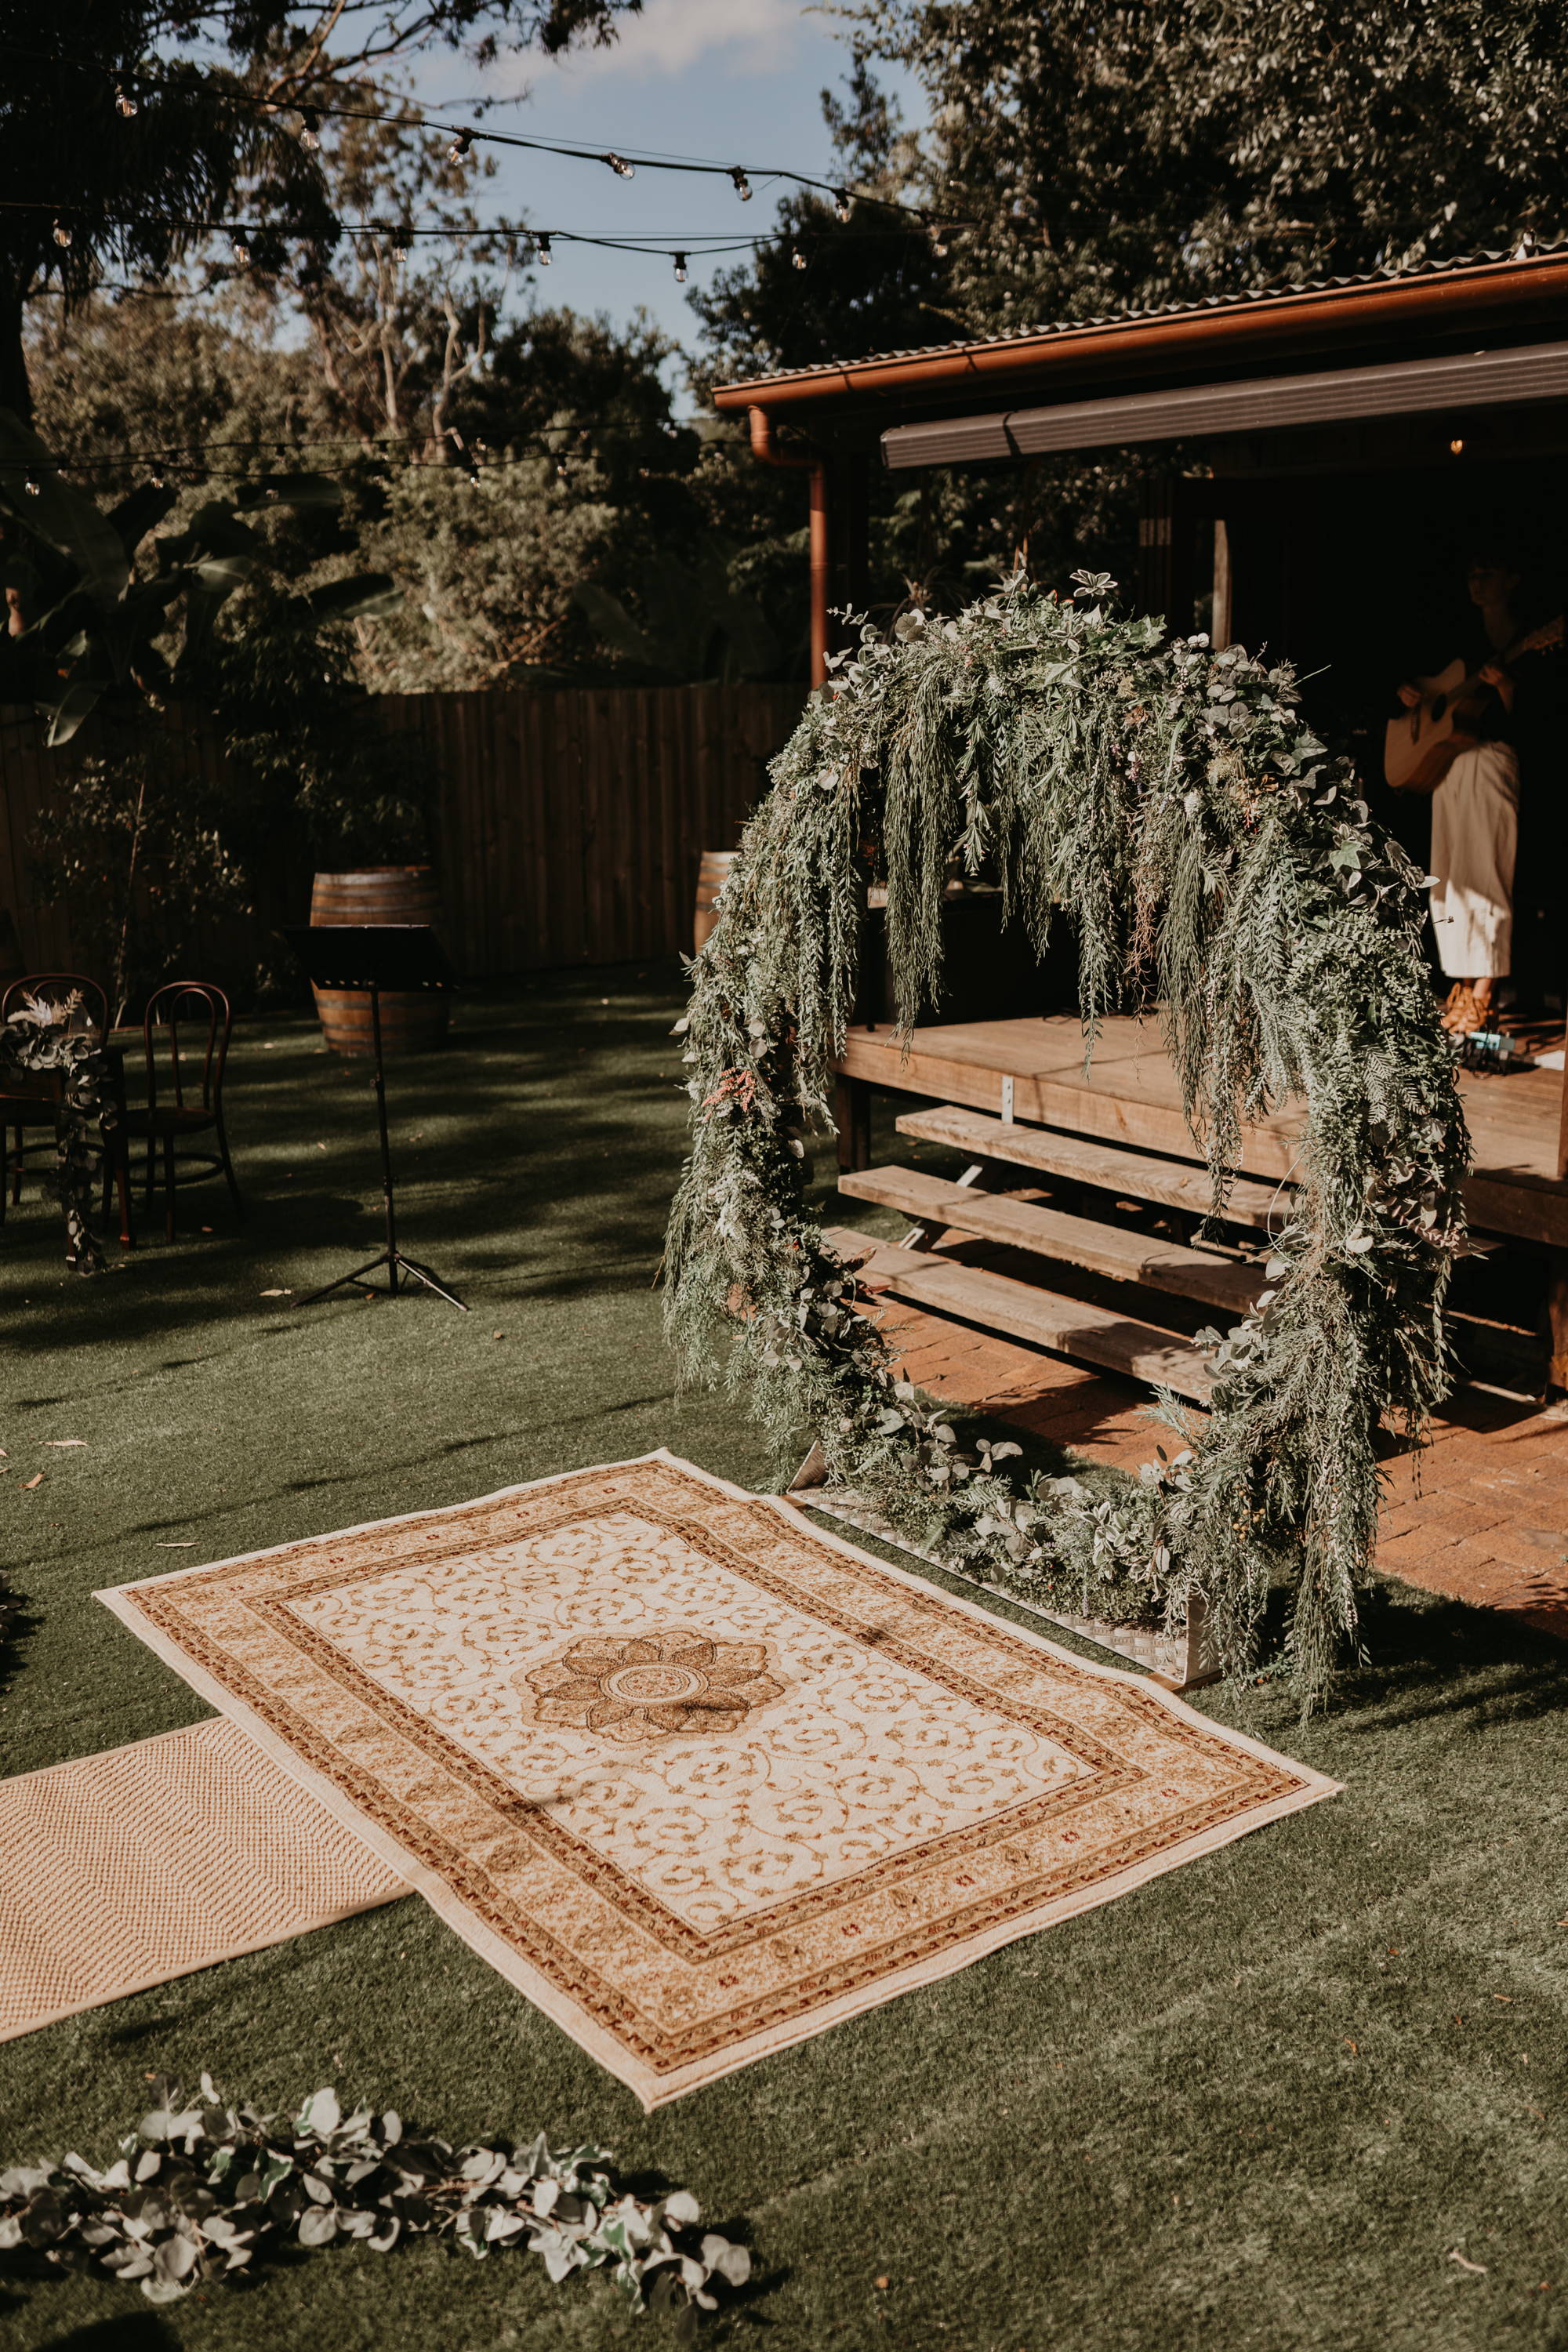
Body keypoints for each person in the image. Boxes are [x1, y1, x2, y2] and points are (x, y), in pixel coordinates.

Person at [1396, 553, 1522, 1033]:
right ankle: (1464, 986)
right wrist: (1411, 693)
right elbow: (1428, 688)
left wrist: (1508, 688)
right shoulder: (1460, 637)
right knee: (1447, 877)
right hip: (1448, 761)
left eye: (1486, 571)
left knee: (1485, 873)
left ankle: (1485, 992)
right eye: (1470, 572)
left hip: (1492, 758)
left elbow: (1541, 719)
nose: (1476, 580)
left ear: (1512, 578)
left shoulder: (1527, 640)